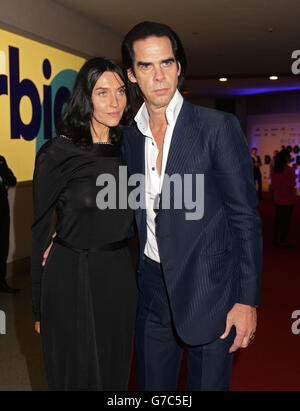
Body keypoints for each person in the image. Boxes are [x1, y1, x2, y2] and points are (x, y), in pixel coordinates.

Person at [121, 21, 263, 391]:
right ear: (131, 75)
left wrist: (247, 300)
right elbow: (129, 206)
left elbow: (244, 217)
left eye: (167, 63)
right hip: (152, 290)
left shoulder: (217, 127)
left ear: (179, 66)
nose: (159, 76)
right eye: (146, 66)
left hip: (211, 290)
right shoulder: (130, 137)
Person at [30, 58, 137, 391]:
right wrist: (38, 307)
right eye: (102, 92)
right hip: (71, 273)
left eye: (120, 91)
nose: (114, 102)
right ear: (84, 98)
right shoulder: (57, 153)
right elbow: (39, 231)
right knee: (75, 375)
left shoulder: (131, 150)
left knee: (115, 372)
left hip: (119, 275)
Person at [0, 155, 20, 293]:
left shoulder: (1, 160)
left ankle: (1, 281)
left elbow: (12, 180)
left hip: (2, 212)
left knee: (2, 246)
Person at [271, 148, 297, 248]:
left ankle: (275, 239)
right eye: (289, 156)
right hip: (288, 199)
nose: (291, 157)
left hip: (278, 199)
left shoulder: (275, 170)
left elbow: (273, 185)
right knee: (285, 221)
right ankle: (282, 240)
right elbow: (293, 184)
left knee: (278, 220)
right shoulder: (289, 170)